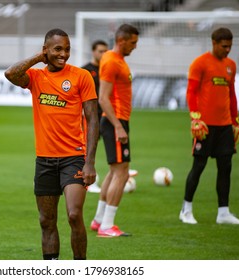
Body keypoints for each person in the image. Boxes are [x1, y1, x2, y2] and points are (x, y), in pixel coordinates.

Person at [4, 28, 99, 260]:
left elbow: (93, 119)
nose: (64, 54)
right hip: (45, 160)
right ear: (46, 50)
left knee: (74, 215)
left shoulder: (81, 76)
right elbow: (10, 73)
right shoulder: (36, 78)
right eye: (58, 49)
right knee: (47, 221)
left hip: (74, 158)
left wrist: (90, 163)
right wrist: (38, 58)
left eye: (67, 49)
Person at [179, 27, 239, 225]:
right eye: (224, 46)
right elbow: (191, 92)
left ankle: (223, 213)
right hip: (205, 126)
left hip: (225, 126)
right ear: (214, 43)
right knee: (199, 166)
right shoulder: (200, 63)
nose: (227, 50)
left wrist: (235, 121)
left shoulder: (231, 65)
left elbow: (231, 95)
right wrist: (195, 118)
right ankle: (186, 210)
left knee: (225, 167)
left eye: (230, 47)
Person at [90, 24, 139, 237]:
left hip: (116, 121)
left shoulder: (116, 60)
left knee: (114, 171)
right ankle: (107, 226)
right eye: (133, 43)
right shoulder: (111, 61)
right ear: (122, 40)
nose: (135, 47)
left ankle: (99, 220)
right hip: (114, 121)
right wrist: (118, 126)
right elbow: (103, 98)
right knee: (122, 172)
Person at [82, 40, 108, 193]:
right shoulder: (85, 71)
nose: (103, 54)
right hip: (90, 117)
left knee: (111, 146)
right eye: (100, 51)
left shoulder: (107, 69)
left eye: (106, 51)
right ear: (93, 51)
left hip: (106, 115)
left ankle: (120, 174)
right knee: (88, 149)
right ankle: (88, 180)